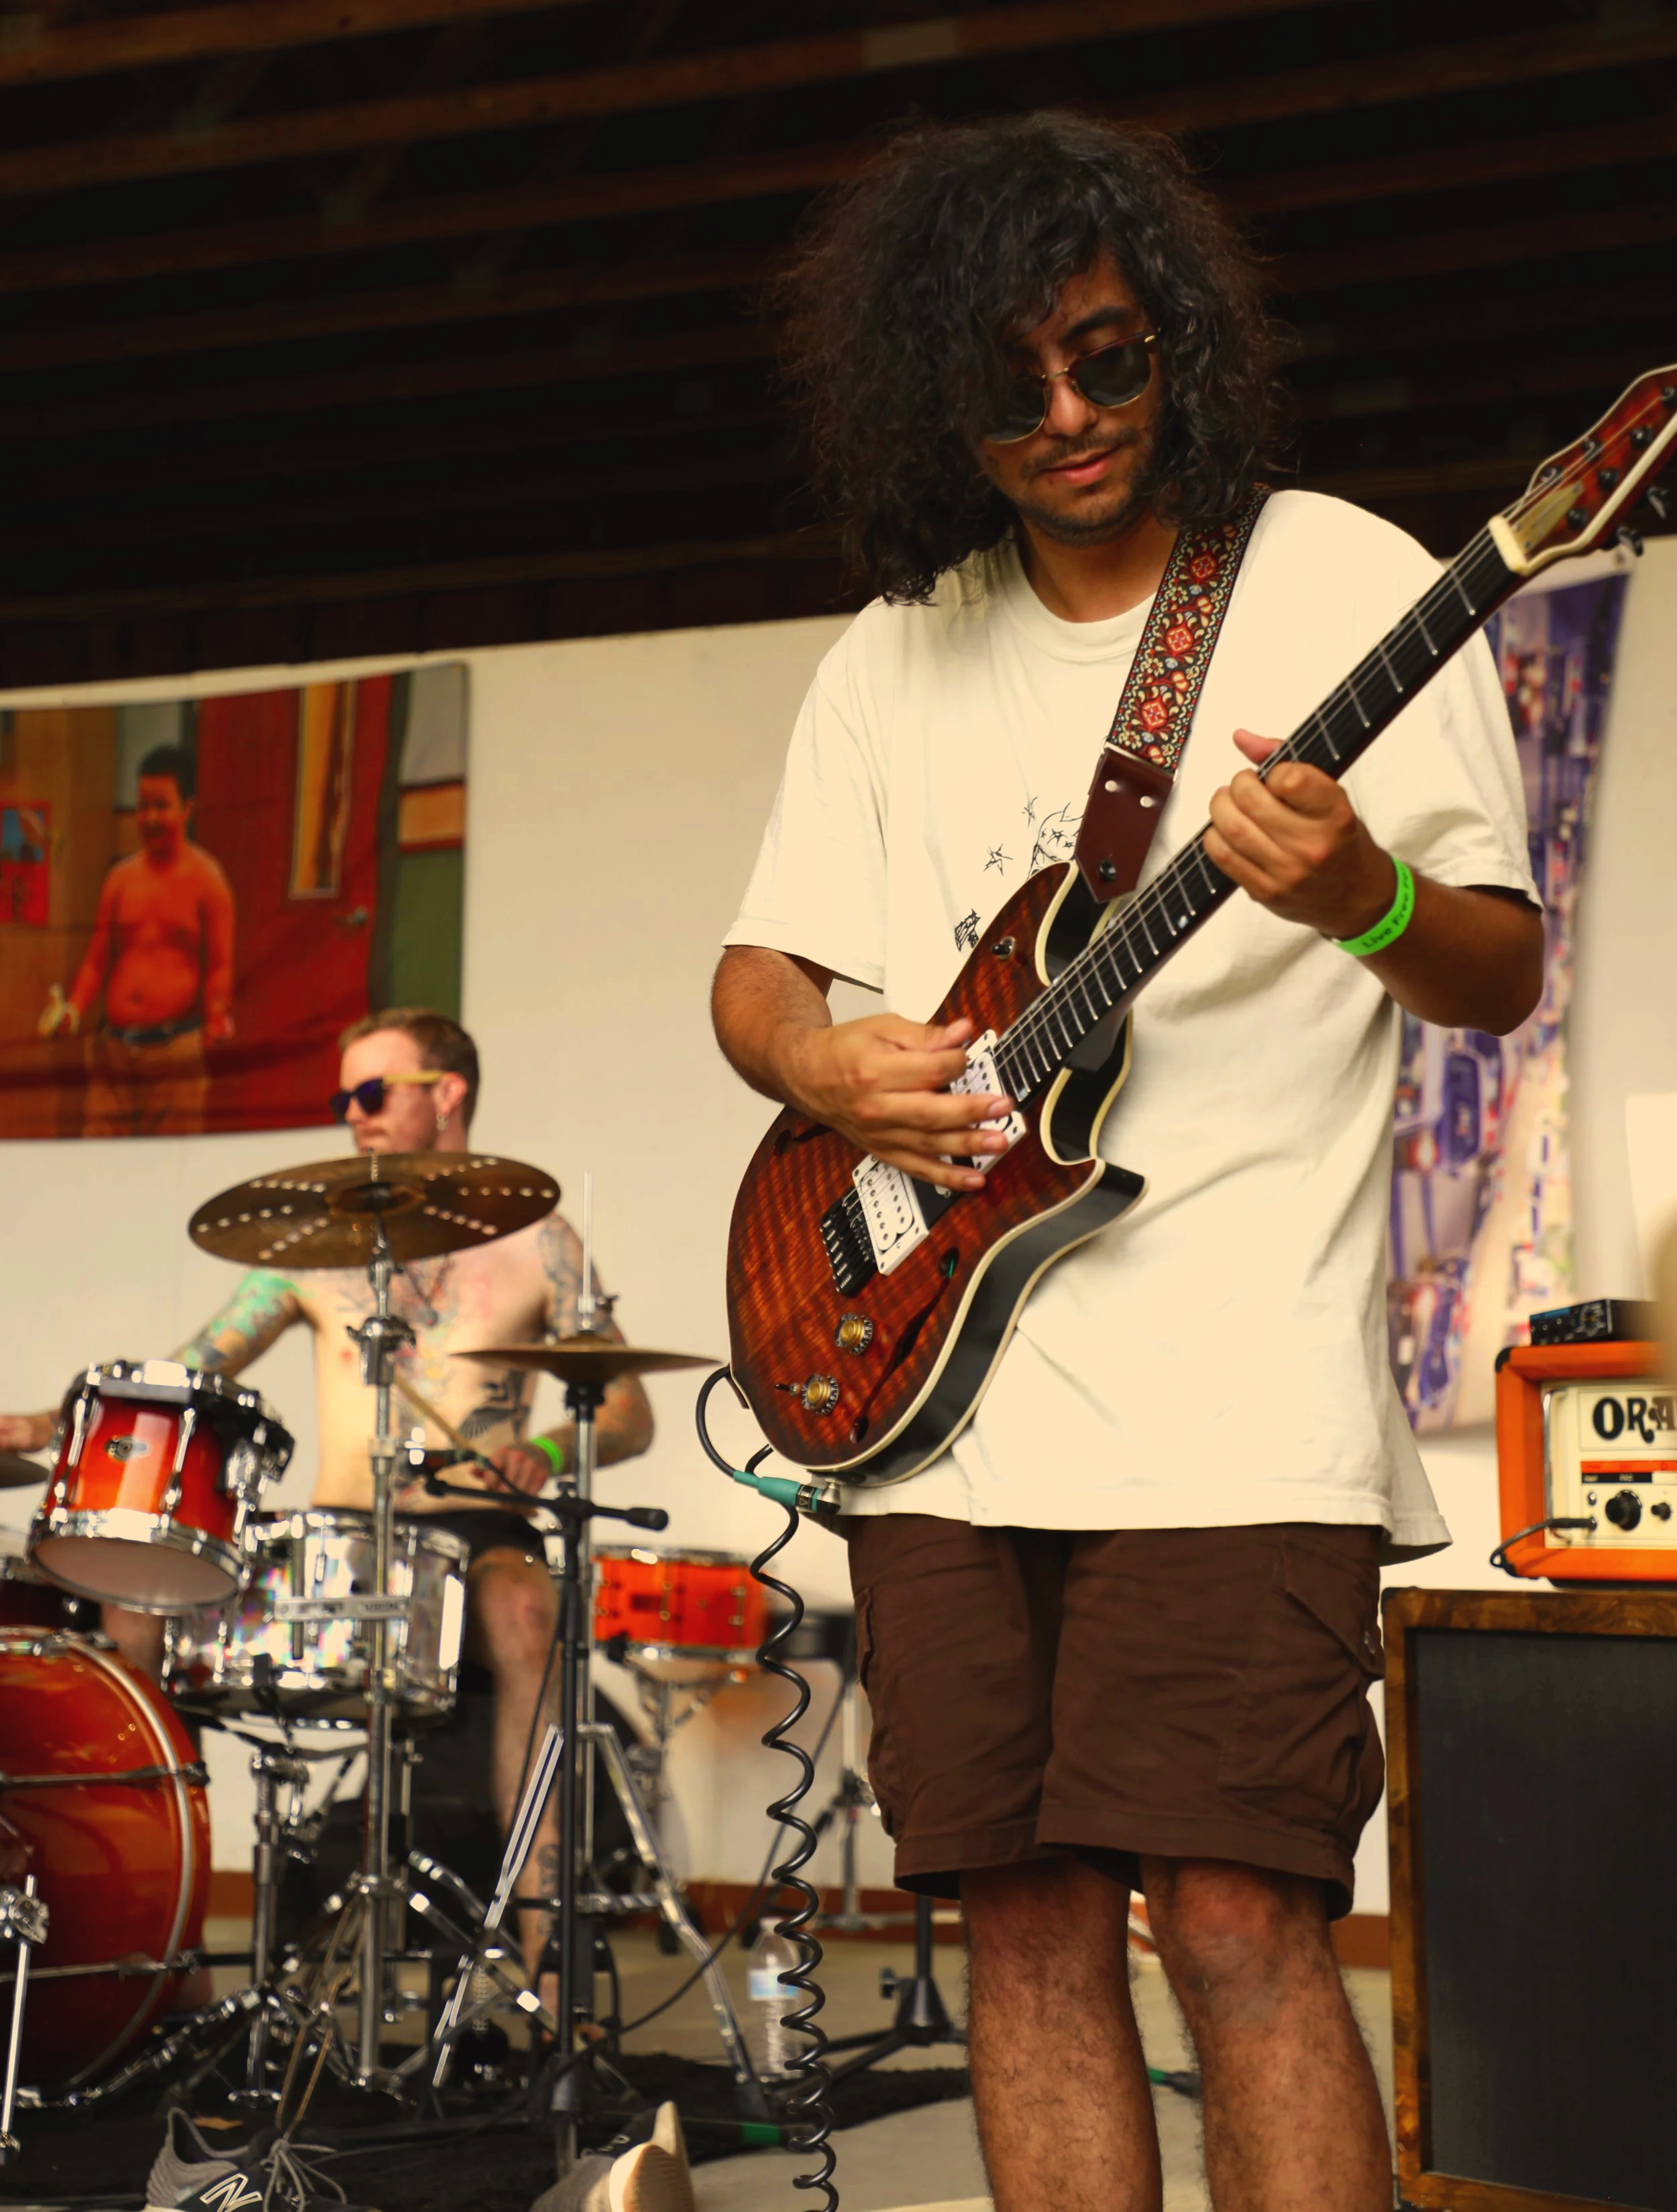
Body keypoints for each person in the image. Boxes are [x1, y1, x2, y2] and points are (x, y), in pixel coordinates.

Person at [711, 112, 1544, 2212]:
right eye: (1009, 386)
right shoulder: (890, 646)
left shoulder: (1343, 578)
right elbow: (748, 974)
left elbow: (1491, 966)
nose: (1067, 417)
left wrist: (1354, 889)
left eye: (1103, 357)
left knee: (1240, 1912)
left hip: (1231, 1395)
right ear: (936, 399)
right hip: (927, 1398)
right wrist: (828, 1060)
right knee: (1016, 1914)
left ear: (1169, 333)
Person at [1, 1007, 652, 1983]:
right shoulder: (315, 1244)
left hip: (476, 1529)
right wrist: (53, 1425)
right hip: (338, 1535)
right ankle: (148, 1945)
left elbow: (631, 1410)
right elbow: (197, 1367)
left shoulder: (541, 1241)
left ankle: (549, 1952)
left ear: (449, 1093)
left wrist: (549, 1447)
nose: (352, 1114)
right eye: (343, 1096)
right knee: (134, 1596)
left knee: (529, 1610)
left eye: (372, 1091)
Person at [38, 741, 235, 1138]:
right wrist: (74, 1009)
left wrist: (216, 1020)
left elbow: (219, 965)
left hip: (176, 1054)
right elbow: (97, 960)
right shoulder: (120, 879)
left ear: (187, 809)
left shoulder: (208, 881)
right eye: (143, 806)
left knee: (172, 1173)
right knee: (101, 1167)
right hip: (113, 1053)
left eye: (162, 806)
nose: (150, 817)